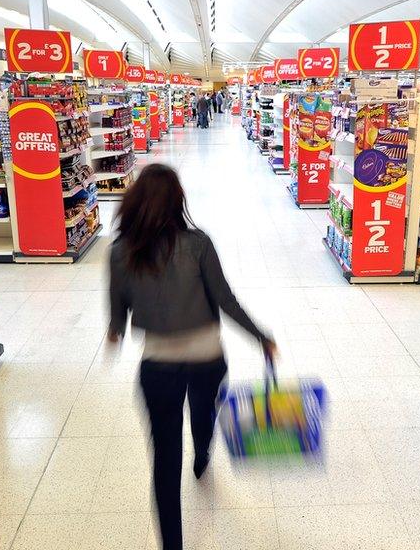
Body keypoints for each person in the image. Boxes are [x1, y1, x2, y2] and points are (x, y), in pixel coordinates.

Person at [107, 164, 275, 550]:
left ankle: (172, 545)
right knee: (204, 415)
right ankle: (202, 454)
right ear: (177, 201)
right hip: (207, 358)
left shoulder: (120, 252)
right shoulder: (198, 243)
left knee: (165, 458)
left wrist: (116, 333)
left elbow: (118, 317)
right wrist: (260, 337)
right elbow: (225, 298)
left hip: (158, 367)